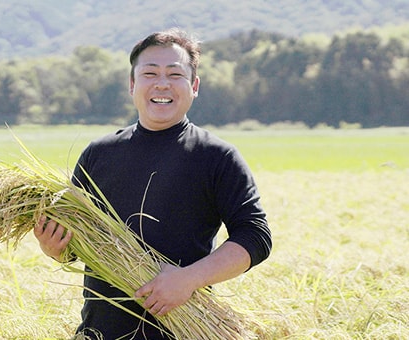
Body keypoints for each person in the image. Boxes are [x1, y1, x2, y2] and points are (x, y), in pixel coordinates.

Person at [34, 28, 272, 339]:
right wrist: (54, 248)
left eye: (175, 74)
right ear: (132, 85)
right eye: (150, 73)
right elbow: (75, 246)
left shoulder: (217, 156)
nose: (162, 83)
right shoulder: (99, 154)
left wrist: (187, 280)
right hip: (100, 332)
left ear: (194, 85)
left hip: (183, 331)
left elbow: (255, 236)